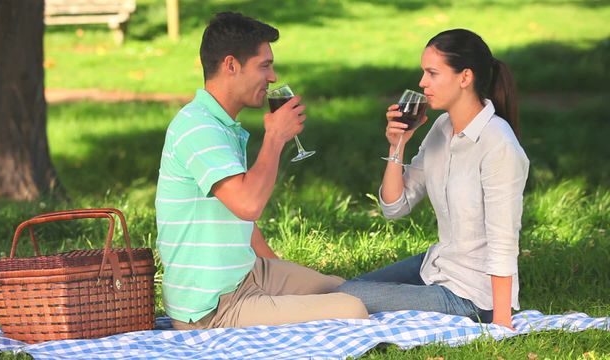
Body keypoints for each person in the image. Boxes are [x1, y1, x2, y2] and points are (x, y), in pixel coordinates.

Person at [155, 12, 368, 330]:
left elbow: (239, 218)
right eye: (264, 65)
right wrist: (275, 137)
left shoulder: (222, 124)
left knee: (340, 287)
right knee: (352, 309)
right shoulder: (197, 126)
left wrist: (277, 269)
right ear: (231, 65)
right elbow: (248, 204)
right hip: (213, 307)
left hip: (246, 273)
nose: (272, 77)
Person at [336, 29, 529, 329]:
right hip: (437, 266)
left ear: (465, 77)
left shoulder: (498, 144)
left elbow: (504, 240)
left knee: (346, 298)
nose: (422, 83)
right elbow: (394, 208)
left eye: (432, 73)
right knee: (347, 291)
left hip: (472, 296)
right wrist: (397, 144)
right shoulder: (441, 127)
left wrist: (501, 321)